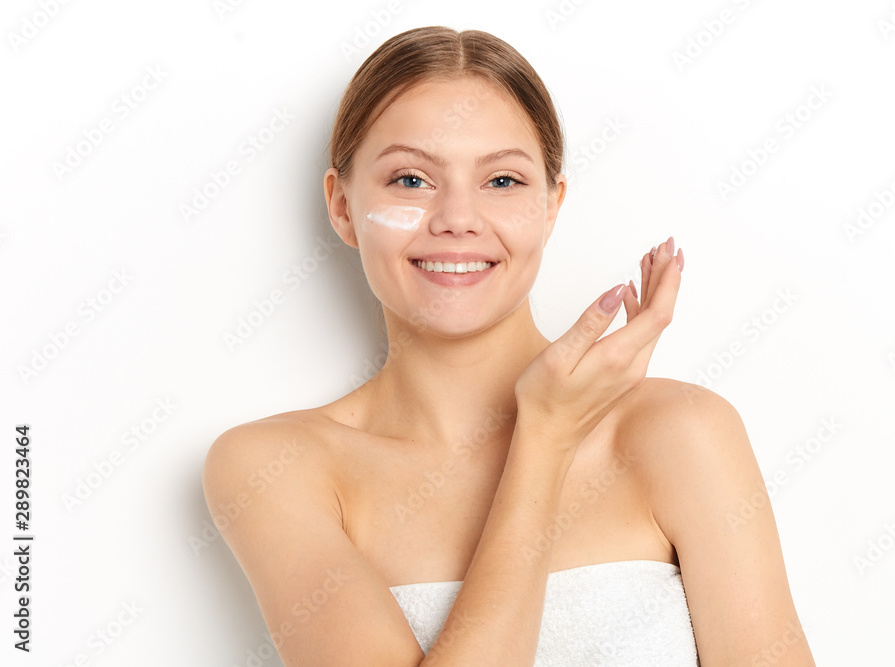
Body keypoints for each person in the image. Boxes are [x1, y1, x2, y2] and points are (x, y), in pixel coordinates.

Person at [202, 25, 815, 666]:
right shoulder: (276, 469)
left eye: (501, 181)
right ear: (342, 207)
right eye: (410, 179)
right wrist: (544, 440)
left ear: (551, 206)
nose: (458, 219)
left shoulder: (679, 433)